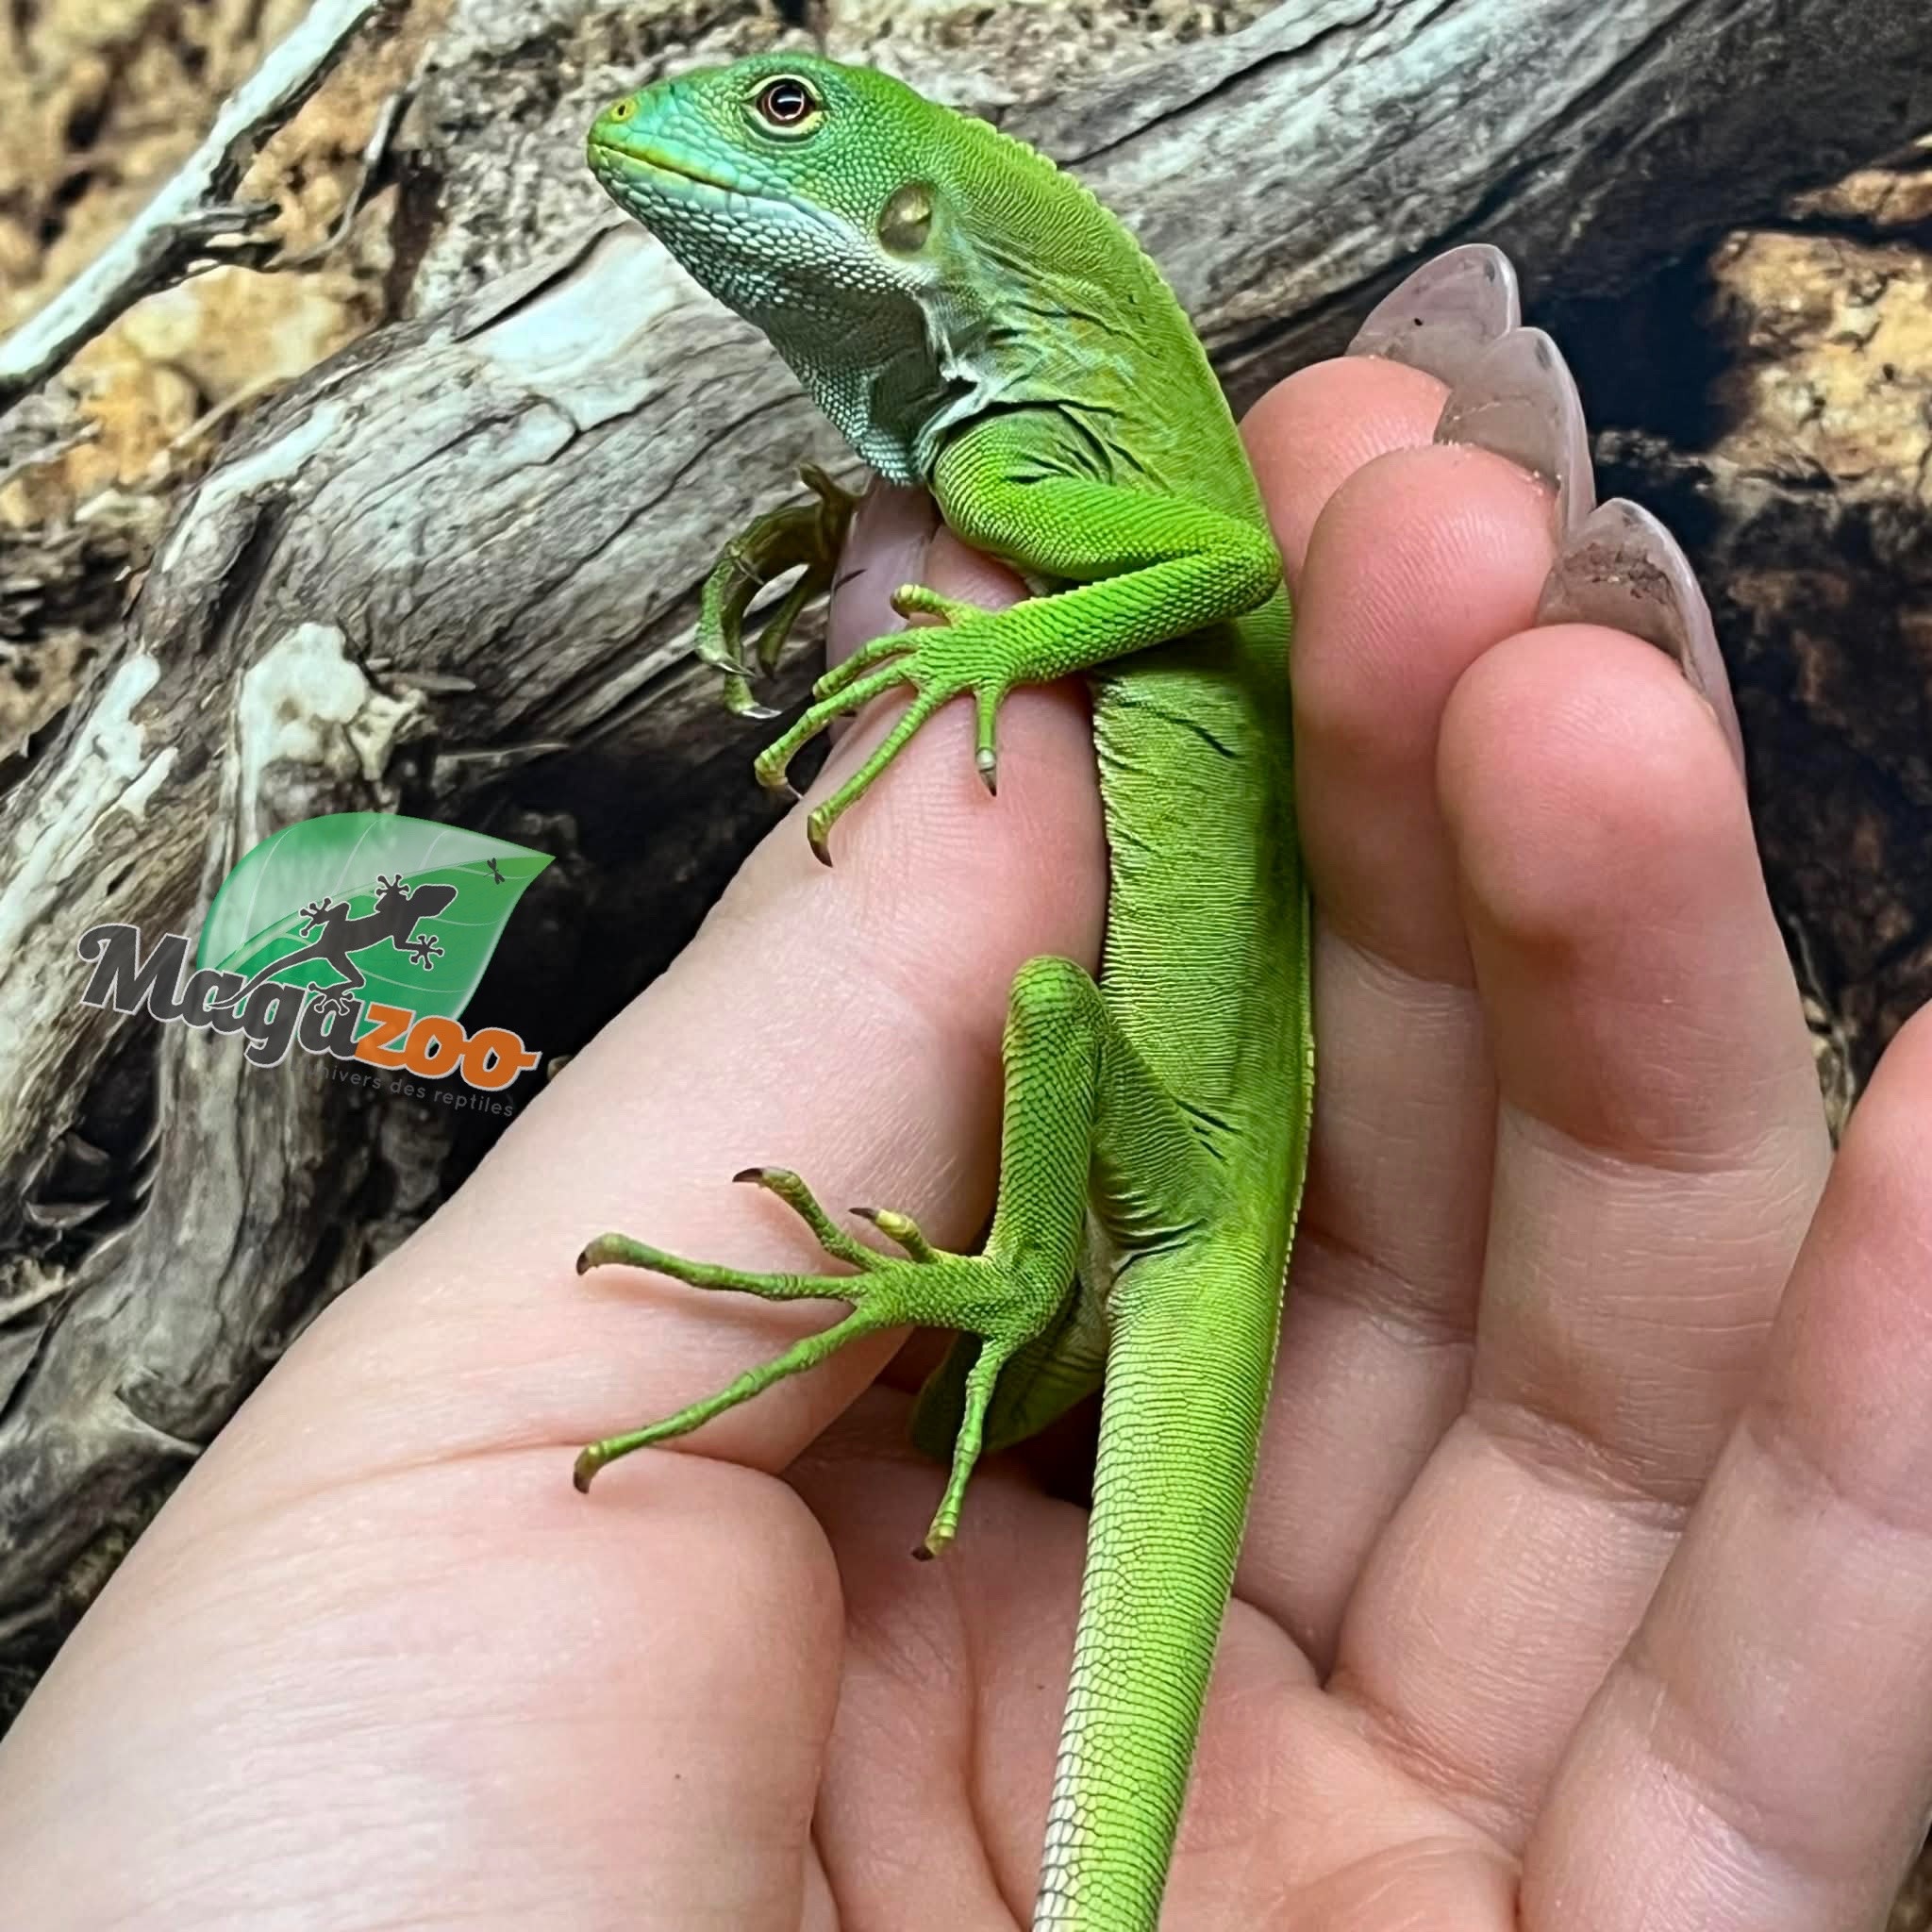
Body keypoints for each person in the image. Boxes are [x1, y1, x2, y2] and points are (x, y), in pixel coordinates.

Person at [3, 245, 1928, 1931]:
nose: (710, 140)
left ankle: (1013, 1283)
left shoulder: (1014, 465)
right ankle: (1022, 1298)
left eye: (784, 116)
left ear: (915, 224)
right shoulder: (992, 451)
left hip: (1177, 1198)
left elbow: (1224, 558)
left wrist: (996, 645)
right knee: (1012, 1155)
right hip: (1188, 1205)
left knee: (1046, 1003)